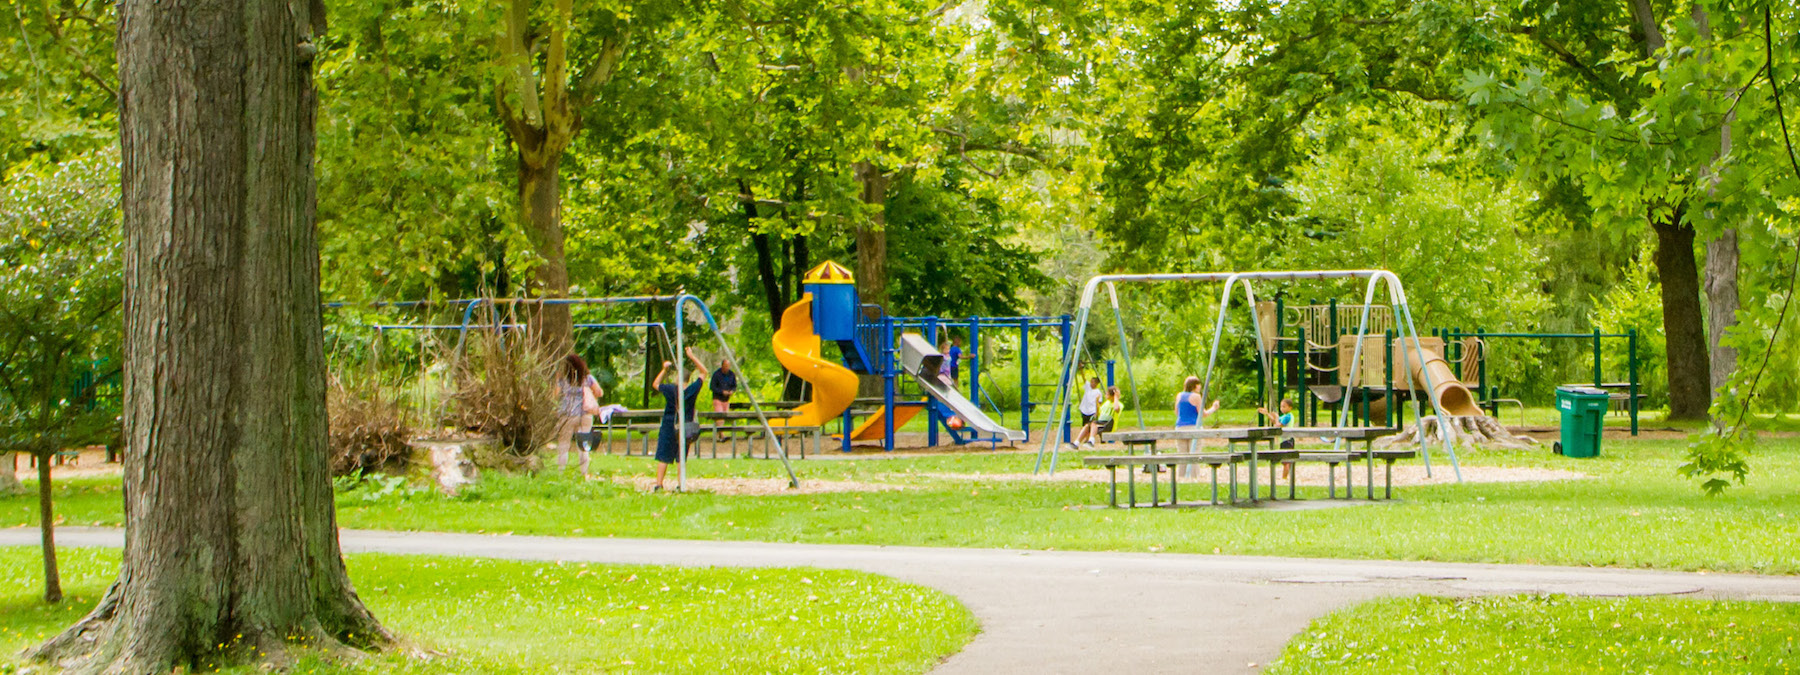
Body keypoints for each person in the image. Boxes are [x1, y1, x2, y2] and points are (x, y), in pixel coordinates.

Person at [650, 347, 707, 492]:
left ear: (678, 378)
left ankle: (659, 484)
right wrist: (692, 356)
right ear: (688, 379)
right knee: (681, 456)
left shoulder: (671, 389)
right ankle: (680, 484)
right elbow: (704, 372)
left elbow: (655, 384)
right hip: (685, 426)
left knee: (664, 455)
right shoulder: (692, 389)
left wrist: (664, 370)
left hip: (669, 424)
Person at [552, 354, 604, 476]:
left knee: (564, 445)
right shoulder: (587, 378)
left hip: (567, 414)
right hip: (585, 414)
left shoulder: (563, 379)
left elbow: (554, 395)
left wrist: (556, 381)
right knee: (583, 446)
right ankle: (584, 473)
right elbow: (599, 392)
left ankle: (560, 472)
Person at [1173, 376, 1220, 455]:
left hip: (1180, 427)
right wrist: (1214, 408)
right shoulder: (1196, 396)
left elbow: (1177, 412)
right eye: (1198, 384)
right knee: (1194, 456)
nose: (1200, 386)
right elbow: (1203, 414)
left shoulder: (1179, 395)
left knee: (1182, 457)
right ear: (1194, 385)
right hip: (1194, 427)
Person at [1258, 398, 1297, 478]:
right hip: (1284, 440)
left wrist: (1276, 417)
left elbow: (1278, 425)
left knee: (1286, 461)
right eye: (1281, 406)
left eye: (1284, 406)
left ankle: (1284, 477)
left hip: (1287, 440)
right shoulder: (1284, 416)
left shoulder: (1288, 416)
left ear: (1290, 408)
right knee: (1285, 460)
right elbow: (1275, 421)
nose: (1282, 408)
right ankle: (1285, 476)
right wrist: (1267, 414)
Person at [709, 357, 738, 441]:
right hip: (718, 398)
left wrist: (732, 391)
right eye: (725, 366)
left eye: (728, 366)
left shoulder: (731, 374)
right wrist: (722, 392)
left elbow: (734, 385)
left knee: (724, 416)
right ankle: (721, 435)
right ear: (722, 366)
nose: (727, 368)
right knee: (719, 415)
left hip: (726, 399)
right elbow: (712, 387)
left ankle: (719, 434)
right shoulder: (716, 374)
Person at [1074, 376, 1104, 447]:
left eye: (1093, 382)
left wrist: (1097, 412)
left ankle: (1088, 439)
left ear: (1097, 383)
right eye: (1091, 381)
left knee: (1090, 425)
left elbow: (1099, 403)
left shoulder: (1098, 392)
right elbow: (1084, 379)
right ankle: (1086, 438)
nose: (1091, 383)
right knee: (1085, 425)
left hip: (1092, 411)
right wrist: (1081, 369)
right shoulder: (1088, 388)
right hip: (1085, 410)